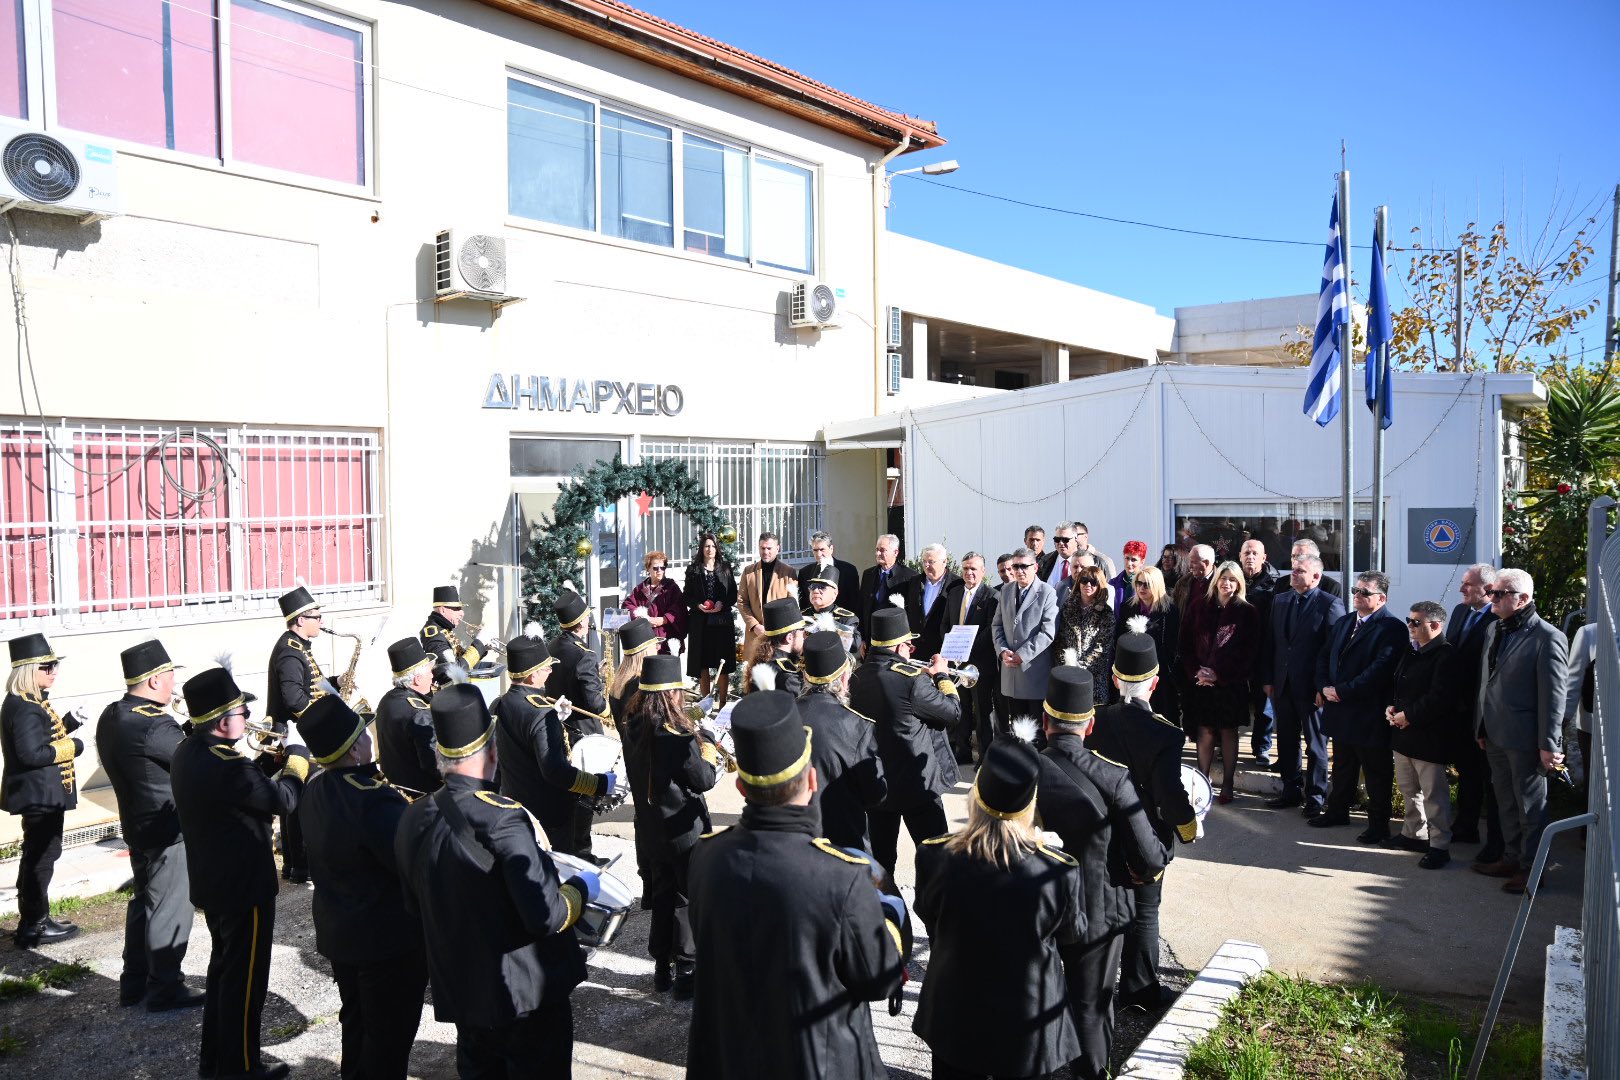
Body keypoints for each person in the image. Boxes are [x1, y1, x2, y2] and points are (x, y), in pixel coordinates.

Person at [685, 690, 908, 1079]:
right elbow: (879, 978)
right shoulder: (843, 877)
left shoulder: (706, 856)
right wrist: (888, 909)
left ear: (741, 789)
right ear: (812, 780)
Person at [393, 682, 596, 1077]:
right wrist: (581, 888)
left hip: (466, 996)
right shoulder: (503, 818)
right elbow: (546, 917)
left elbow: (414, 908)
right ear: (492, 750)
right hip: (523, 998)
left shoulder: (412, 816)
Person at [913, 737, 1085, 1080]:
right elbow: (1072, 933)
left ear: (975, 795)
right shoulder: (1057, 869)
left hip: (956, 1010)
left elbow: (930, 917)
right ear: (1031, 804)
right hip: (1027, 1017)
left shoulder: (935, 855)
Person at [171, 664, 309, 1080]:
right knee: (246, 984)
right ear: (221, 720)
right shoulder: (230, 766)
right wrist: (297, 760)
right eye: (241, 712)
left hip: (215, 883)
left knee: (224, 975)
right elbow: (283, 801)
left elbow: (244, 793)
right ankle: (242, 1067)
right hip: (244, 887)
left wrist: (266, 764)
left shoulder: (190, 752)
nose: (247, 718)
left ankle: (215, 1062)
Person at [1035, 668, 1167, 1080]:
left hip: (1033, 906)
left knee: (1033, 998)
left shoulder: (1023, 768)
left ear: (1045, 721)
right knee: (1091, 1006)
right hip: (1096, 908)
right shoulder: (1113, 777)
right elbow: (1149, 858)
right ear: (1090, 725)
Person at [295, 695, 426, 1080]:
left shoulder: (315, 789)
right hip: (385, 942)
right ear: (355, 748)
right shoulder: (372, 799)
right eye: (364, 733)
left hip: (342, 935)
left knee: (357, 1027)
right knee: (389, 1040)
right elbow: (410, 863)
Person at [1087, 623, 1197, 1014]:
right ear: (1154, 682)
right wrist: (1188, 828)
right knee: (1146, 912)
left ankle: (1096, 988)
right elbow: (1170, 794)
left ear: (1115, 678)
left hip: (1102, 833)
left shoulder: (1094, 721)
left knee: (1105, 909)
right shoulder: (1165, 733)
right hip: (1145, 835)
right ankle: (1139, 990)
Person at [94, 639, 202, 1009]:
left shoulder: (113, 714)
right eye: (171, 676)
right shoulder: (156, 724)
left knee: (144, 903)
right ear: (155, 680)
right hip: (168, 829)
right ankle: (165, 986)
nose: (175, 683)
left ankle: (134, 981)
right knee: (171, 907)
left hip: (136, 824)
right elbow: (192, 760)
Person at [624, 653, 723, 995]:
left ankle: (660, 968)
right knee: (687, 900)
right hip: (683, 832)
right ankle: (686, 970)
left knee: (664, 896)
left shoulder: (634, 724)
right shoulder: (674, 734)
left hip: (651, 829)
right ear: (671, 693)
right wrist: (707, 743)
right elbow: (704, 779)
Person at [1474, 568, 1569, 894]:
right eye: (1492, 592)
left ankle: (1532, 870)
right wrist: (1481, 725)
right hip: (1496, 734)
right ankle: (1511, 859)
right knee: (1505, 802)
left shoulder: (1547, 637)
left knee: (1531, 807)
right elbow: (1486, 682)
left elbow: (1554, 697)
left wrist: (1548, 744)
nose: (1492, 599)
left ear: (1523, 599)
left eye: (1499, 594)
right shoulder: (1494, 629)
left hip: (1527, 740)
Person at [849, 606, 962, 878]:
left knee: (880, 865)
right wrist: (942, 676)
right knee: (938, 863)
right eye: (909, 646)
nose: (911, 651)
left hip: (876, 786)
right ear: (901, 647)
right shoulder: (912, 681)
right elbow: (953, 712)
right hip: (917, 786)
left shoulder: (854, 678)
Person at [495, 630, 616, 859]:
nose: (551, 672)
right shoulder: (541, 713)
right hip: (549, 814)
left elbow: (521, 742)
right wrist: (600, 784)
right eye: (546, 668)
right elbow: (555, 771)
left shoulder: (503, 702)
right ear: (532, 676)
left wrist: (554, 720)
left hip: (518, 804)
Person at [1310, 571, 1407, 842]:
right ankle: (1337, 810)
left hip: (1367, 712)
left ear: (1381, 598)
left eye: (1365, 592)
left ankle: (1378, 825)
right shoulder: (1344, 622)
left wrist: (1341, 691)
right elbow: (1324, 656)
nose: (1357, 595)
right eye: (1356, 589)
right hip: (1339, 709)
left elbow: (1379, 670)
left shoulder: (1392, 628)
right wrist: (1323, 687)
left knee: (1376, 771)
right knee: (1343, 764)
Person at [2, 633, 85, 949]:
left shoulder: (29, 702)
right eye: (47, 667)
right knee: (41, 857)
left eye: (55, 665)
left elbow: (39, 738)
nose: (54, 672)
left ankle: (36, 920)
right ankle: (34, 925)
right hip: (39, 795)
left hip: (42, 794)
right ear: (28, 670)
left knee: (39, 855)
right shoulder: (23, 706)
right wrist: (72, 746)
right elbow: (31, 754)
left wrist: (69, 722)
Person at [1260, 555, 1345, 817]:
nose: (1293, 574)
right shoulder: (1282, 599)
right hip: (1282, 685)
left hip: (1311, 689)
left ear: (1316, 577)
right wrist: (1268, 679)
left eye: (1300, 571)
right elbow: (1271, 643)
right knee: (1285, 740)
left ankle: (1316, 796)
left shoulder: (1330, 605)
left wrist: (1324, 686)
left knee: (1316, 745)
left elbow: (1335, 651)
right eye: (1293, 569)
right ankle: (1290, 790)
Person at [795, 632, 887, 850]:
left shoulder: (783, 717)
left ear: (806, 677)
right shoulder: (858, 725)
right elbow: (877, 794)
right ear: (844, 678)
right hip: (844, 844)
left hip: (794, 843)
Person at [1180, 561, 1260, 804]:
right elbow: (1184, 644)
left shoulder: (1247, 612)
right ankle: (1203, 782)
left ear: (1239, 584)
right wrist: (1198, 672)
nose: (1227, 583)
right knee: (1204, 731)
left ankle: (1228, 783)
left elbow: (1250, 654)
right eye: (1223, 578)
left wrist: (1219, 674)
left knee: (1228, 731)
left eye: (1232, 579)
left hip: (1230, 683)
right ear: (1216, 581)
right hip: (1200, 682)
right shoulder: (1198, 606)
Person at [1386, 602, 1458, 870]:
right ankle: (1413, 834)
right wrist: (1392, 708)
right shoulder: (1411, 649)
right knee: (1408, 789)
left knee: (1434, 796)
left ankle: (1439, 846)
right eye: (1410, 620)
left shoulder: (1446, 654)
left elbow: (1439, 698)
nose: (1410, 626)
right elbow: (1400, 684)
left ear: (1435, 626)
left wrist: (1410, 715)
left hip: (1429, 737)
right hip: (1404, 734)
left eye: (1417, 623)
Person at [266, 584, 325, 883]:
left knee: (296, 801)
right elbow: (294, 699)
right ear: (300, 620)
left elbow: (308, 687)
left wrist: (337, 683)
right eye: (316, 616)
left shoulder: (297, 646)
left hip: (297, 733)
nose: (321, 621)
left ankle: (294, 866)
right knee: (300, 801)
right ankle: (300, 865)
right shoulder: (290, 653)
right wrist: (324, 718)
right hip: (297, 735)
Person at [546, 588, 608, 860]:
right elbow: (595, 705)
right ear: (581, 622)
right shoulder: (585, 655)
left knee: (568, 792)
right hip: (584, 734)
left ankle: (571, 849)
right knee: (586, 794)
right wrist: (603, 687)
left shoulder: (552, 646)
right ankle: (583, 854)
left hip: (560, 728)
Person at [1448, 563, 1504, 863]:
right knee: (1466, 770)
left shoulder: (1496, 620)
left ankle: (1491, 837)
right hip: (1456, 710)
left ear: (1487, 589)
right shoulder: (1459, 612)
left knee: (1484, 774)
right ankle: (1465, 825)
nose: (1461, 589)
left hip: (1480, 711)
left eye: (1468, 585)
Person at [992, 546, 1060, 724]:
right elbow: (997, 625)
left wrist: (1022, 655)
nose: (1019, 571)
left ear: (1035, 567)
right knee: (1017, 729)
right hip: (1011, 674)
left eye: (1024, 566)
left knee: (1036, 731)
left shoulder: (1047, 592)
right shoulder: (1006, 591)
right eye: (1015, 567)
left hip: (1034, 674)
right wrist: (1002, 650)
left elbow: (1048, 632)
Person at [945, 550, 1001, 760]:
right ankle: (963, 751)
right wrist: (951, 647)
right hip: (956, 661)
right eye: (966, 568)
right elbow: (946, 624)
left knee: (982, 711)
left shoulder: (991, 596)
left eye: (973, 569)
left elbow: (990, 630)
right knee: (961, 707)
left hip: (980, 663)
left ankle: (985, 755)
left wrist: (967, 647)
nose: (969, 572)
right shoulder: (955, 593)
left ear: (983, 571)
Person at [374, 637, 441, 798]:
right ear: (417, 679)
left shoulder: (387, 700)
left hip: (394, 794)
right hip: (424, 798)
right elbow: (435, 764)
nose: (432, 676)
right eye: (429, 672)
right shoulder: (420, 712)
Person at [1238, 539, 1286, 765]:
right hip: (1236, 651)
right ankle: (1224, 745)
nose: (1250, 557)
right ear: (1239, 556)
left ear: (1264, 557)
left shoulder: (1275, 583)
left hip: (1263, 650)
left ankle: (1262, 747)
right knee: (1233, 700)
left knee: (1263, 703)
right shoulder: (1231, 578)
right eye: (1246, 552)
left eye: (1255, 553)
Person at [1118, 566, 1180, 726]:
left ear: (1157, 585)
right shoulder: (1128, 608)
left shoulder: (1170, 610)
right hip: (1133, 673)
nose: (1141, 588)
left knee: (1162, 718)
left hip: (1161, 673)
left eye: (1147, 584)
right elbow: (1119, 639)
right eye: (1138, 583)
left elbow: (1174, 643)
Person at [682, 531, 738, 706]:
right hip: (701, 623)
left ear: (717, 548)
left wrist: (722, 603)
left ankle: (722, 702)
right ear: (702, 548)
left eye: (713, 546)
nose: (710, 549)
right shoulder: (693, 569)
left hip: (721, 623)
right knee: (703, 664)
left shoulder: (725, 567)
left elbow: (733, 594)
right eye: (707, 546)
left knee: (723, 664)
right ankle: (705, 704)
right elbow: (687, 595)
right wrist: (697, 605)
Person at [1057, 563, 1116, 707]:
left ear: (1100, 585)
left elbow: (1102, 649)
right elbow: (1060, 640)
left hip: (1093, 681)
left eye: (1093, 581)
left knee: (1096, 725)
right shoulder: (1067, 607)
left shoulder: (1106, 614)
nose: (1088, 584)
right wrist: (1067, 665)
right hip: (1067, 675)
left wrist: (1080, 668)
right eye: (1084, 580)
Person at [902, 542, 961, 659]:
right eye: (924, 561)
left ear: (945, 562)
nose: (926, 565)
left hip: (941, 652)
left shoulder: (957, 585)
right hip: (915, 650)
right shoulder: (915, 582)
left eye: (931, 562)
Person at [738, 531, 800, 639]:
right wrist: (754, 625)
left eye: (769, 548)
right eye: (762, 548)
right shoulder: (748, 572)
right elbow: (742, 601)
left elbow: (792, 603)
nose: (765, 552)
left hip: (779, 634)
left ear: (777, 548)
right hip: (755, 634)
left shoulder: (788, 572)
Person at [418, 584, 489, 677]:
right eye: (456, 609)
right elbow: (455, 669)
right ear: (442, 610)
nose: (462, 613)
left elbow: (462, 660)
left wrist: (483, 648)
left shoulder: (443, 629)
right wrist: (479, 645)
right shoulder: (433, 634)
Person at [858, 533, 918, 643]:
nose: (877, 553)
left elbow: (912, 613)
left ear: (895, 552)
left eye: (882, 550)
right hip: (871, 640)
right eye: (877, 549)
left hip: (894, 640)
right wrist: (862, 639)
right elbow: (862, 608)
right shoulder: (868, 574)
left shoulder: (909, 576)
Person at [742, 597, 807, 696]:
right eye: (802, 634)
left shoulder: (762, 662)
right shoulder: (788, 675)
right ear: (789, 637)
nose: (804, 638)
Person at [625, 550, 687, 654]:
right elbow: (628, 605)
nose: (659, 570)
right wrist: (641, 618)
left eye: (662, 567)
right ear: (648, 568)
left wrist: (664, 619)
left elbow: (679, 608)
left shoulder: (672, 587)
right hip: (645, 638)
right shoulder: (639, 589)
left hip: (666, 637)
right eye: (655, 568)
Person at [802, 564, 863, 661]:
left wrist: (829, 626)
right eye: (812, 586)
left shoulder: (847, 618)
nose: (816, 591)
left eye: (822, 587)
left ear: (835, 593)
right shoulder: (802, 616)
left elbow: (854, 645)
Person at [796, 530, 861, 615]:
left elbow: (855, 601)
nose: (818, 554)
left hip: (843, 622)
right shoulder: (804, 573)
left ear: (831, 549)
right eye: (815, 550)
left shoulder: (849, 570)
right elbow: (804, 604)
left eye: (822, 549)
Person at [1110, 540, 1147, 611]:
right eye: (1127, 558)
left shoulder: (1148, 584)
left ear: (1142, 561)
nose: (1129, 563)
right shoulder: (1112, 584)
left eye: (1133, 560)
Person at [1039, 522, 1078, 586]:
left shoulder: (1089, 561)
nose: (1061, 543)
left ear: (1076, 540)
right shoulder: (1044, 561)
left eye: (1065, 539)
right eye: (1057, 539)